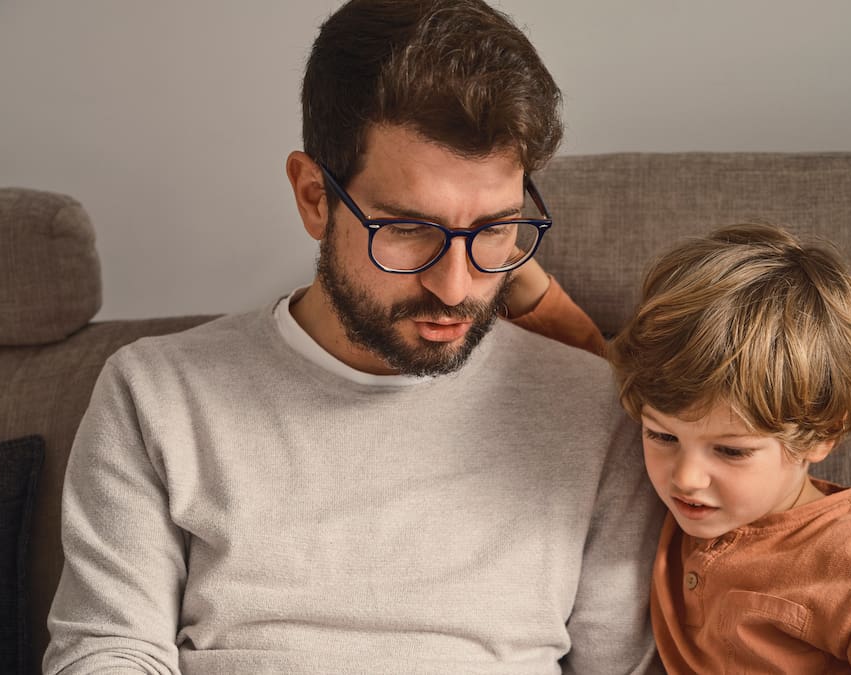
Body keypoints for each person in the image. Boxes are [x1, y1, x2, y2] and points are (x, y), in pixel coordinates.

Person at [43, 1, 662, 673]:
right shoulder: (155, 393)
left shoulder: (599, 409)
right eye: (408, 228)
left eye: (493, 230)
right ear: (315, 196)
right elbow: (107, 651)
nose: (455, 286)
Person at [516, 222, 851, 673]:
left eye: (731, 451)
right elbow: (594, 371)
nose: (685, 477)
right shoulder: (692, 489)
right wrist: (510, 267)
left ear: (822, 434)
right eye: (661, 436)